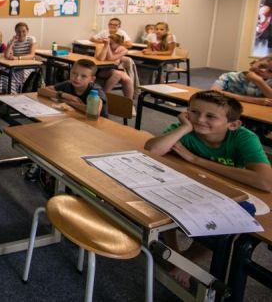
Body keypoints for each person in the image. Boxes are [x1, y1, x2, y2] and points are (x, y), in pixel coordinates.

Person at [144, 91, 272, 287]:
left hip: (227, 192)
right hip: (192, 186)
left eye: (210, 116)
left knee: (221, 224)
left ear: (233, 124)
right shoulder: (185, 129)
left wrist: (196, 160)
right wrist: (185, 127)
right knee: (159, 197)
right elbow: (152, 150)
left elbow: (265, 182)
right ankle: (175, 253)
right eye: (194, 112)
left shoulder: (243, 137)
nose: (199, 120)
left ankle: (190, 258)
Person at [38, 59, 108, 117]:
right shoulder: (68, 84)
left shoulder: (96, 90)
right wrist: (64, 95)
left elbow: (94, 111)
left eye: (83, 76)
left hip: (96, 125)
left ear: (92, 79)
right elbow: (41, 90)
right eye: (74, 73)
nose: (77, 78)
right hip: (75, 118)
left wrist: (70, 103)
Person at [94, 34, 134, 100]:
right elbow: (101, 58)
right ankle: (104, 97)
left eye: (111, 43)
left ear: (118, 44)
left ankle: (129, 102)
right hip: (100, 69)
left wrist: (108, 46)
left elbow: (111, 58)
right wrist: (107, 46)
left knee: (127, 79)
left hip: (113, 69)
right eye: (109, 42)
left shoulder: (124, 50)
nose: (108, 43)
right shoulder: (100, 46)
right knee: (118, 74)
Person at [2, 22, 36, 93]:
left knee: (17, 76)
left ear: (27, 31)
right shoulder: (13, 41)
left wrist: (17, 58)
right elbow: (6, 55)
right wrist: (12, 42)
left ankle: (15, 94)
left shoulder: (31, 39)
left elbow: (32, 55)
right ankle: (8, 95)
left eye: (23, 31)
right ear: (15, 32)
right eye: (18, 31)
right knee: (4, 74)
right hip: (16, 66)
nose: (21, 33)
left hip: (28, 66)